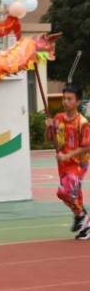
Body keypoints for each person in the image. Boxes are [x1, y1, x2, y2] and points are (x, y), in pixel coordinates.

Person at [45, 84, 90, 240]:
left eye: (69, 99)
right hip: (63, 164)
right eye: (64, 98)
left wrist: (67, 155)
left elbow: (87, 147)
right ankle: (86, 227)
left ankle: (82, 215)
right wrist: (49, 128)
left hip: (78, 163)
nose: (65, 101)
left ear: (78, 102)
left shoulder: (82, 122)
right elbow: (49, 139)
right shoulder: (58, 118)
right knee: (75, 195)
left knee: (63, 192)